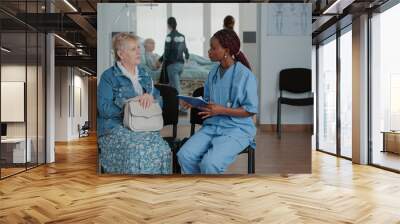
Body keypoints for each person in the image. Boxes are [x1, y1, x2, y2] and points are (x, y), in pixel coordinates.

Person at [177, 29, 258, 174]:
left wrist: (222, 110)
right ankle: (199, 189)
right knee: (185, 155)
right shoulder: (213, 72)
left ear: (226, 50)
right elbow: (208, 100)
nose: (209, 51)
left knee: (210, 164)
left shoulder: (245, 75)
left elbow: (250, 110)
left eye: (213, 48)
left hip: (237, 129)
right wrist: (193, 103)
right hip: (212, 126)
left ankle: (212, 193)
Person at [97, 32, 171, 174]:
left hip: (143, 126)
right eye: (133, 49)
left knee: (163, 148)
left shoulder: (145, 75)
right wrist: (129, 105)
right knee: (138, 149)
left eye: (138, 48)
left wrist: (151, 98)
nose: (138, 52)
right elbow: (103, 108)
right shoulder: (108, 76)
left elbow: (159, 103)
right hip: (114, 127)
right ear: (121, 54)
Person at [159, 17, 189, 95]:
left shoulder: (169, 36)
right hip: (181, 65)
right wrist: (187, 56)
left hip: (172, 65)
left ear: (168, 25)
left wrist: (160, 60)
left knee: (176, 89)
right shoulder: (182, 36)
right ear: (176, 24)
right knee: (172, 87)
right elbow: (185, 48)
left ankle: (180, 106)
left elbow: (167, 51)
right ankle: (172, 105)